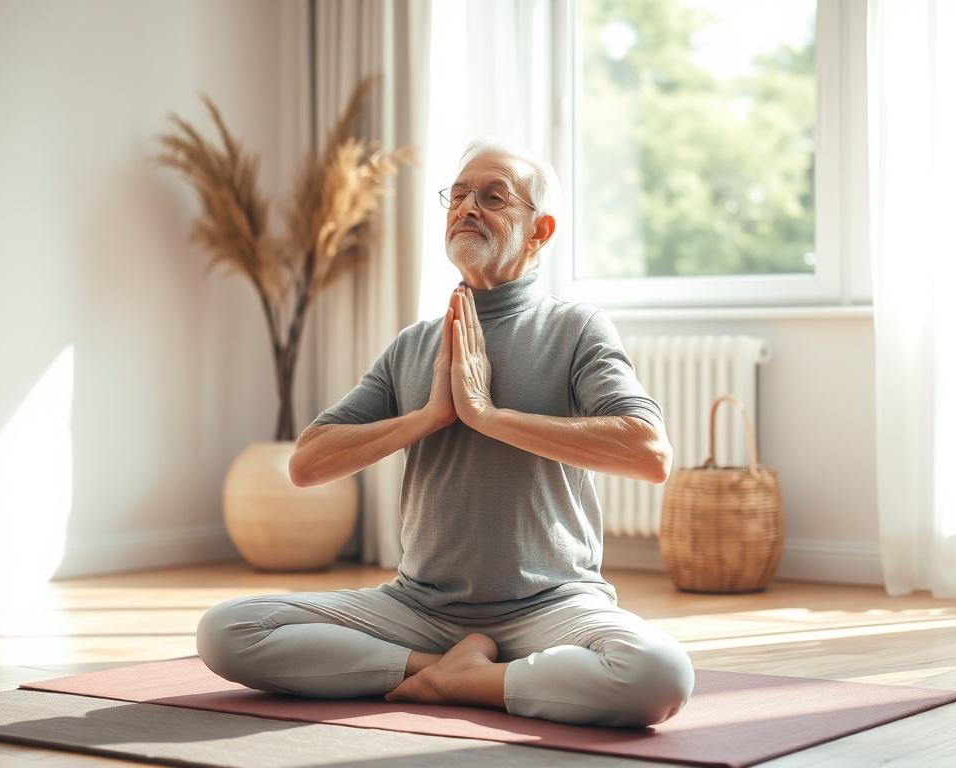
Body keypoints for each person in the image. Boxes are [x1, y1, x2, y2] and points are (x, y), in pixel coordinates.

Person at [196, 140, 695, 728]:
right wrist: (428, 417)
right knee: (226, 631)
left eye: (493, 197)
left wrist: (487, 415)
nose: (466, 208)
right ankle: (445, 668)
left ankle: (465, 678)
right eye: (457, 196)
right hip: (418, 606)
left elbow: (649, 451)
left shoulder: (575, 328)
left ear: (540, 231)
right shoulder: (414, 343)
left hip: (552, 606)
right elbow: (307, 463)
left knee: (661, 674)